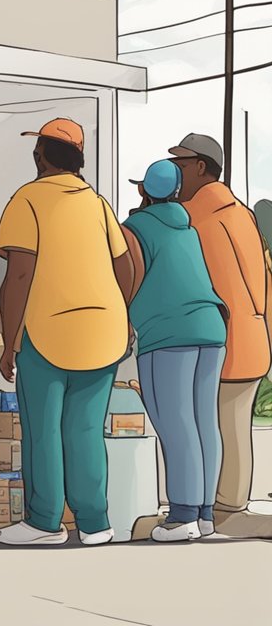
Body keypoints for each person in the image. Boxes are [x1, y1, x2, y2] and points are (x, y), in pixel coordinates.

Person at [0, 118, 135, 547]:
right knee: (86, 431)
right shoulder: (98, 203)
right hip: (103, 331)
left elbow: (18, 276)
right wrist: (117, 312)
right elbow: (125, 266)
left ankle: (44, 522)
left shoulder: (28, 200)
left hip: (48, 332)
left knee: (43, 429)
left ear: (41, 156)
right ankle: (95, 524)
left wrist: (9, 342)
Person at [119, 159, 227, 542]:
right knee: (202, 421)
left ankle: (182, 516)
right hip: (211, 328)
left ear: (142, 191)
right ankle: (205, 513)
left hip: (167, 332)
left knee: (174, 420)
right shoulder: (188, 227)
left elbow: (126, 279)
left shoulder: (133, 228)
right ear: (179, 191)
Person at [170, 134, 272, 527]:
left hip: (217, 339)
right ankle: (230, 502)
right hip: (253, 335)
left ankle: (220, 507)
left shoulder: (196, 218)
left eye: (181, 165)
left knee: (211, 425)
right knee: (234, 425)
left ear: (200, 167)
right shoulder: (241, 213)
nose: (177, 174)